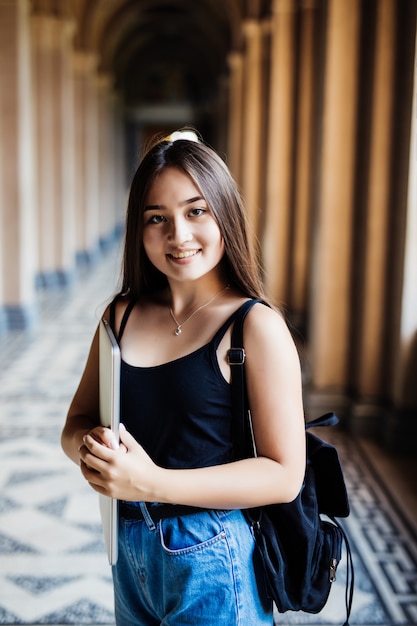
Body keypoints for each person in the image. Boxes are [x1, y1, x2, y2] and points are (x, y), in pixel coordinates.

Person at [61, 134, 306, 626]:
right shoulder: (121, 316)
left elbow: (284, 474)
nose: (178, 235)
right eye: (157, 218)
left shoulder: (254, 326)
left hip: (213, 552)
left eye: (196, 211)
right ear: (139, 228)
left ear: (224, 213)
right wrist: (93, 448)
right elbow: (76, 423)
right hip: (129, 550)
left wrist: (150, 482)